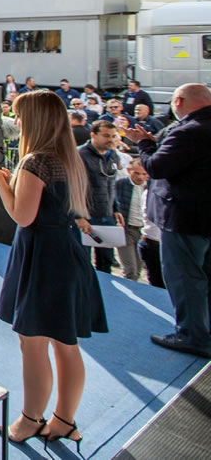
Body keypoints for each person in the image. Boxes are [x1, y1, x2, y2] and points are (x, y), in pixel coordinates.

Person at [0, 90, 106, 450]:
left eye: (18, 116)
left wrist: (1, 183)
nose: (15, 123)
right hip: (69, 255)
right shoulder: (70, 159)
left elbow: (22, 216)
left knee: (33, 343)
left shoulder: (35, 162)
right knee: (67, 342)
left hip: (42, 258)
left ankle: (31, 418)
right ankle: (64, 419)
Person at [125, 83, 211, 359]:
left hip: (184, 219)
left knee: (185, 278)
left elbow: (156, 166)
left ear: (178, 100)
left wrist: (144, 143)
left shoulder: (187, 132)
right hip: (206, 219)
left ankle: (191, 335)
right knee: (205, 277)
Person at [78, 121, 122, 273]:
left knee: (106, 261)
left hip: (107, 215)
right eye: (105, 136)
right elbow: (73, 187)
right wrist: (78, 216)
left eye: (113, 136)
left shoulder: (113, 155)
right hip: (87, 216)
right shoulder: (79, 155)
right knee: (83, 260)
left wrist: (116, 208)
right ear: (93, 135)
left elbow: (112, 183)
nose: (110, 139)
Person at [113, 159, 148, 283]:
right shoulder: (120, 185)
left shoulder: (150, 186)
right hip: (126, 230)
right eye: (137, 173)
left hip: (143, 231)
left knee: (138, 269)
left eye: (144, 174)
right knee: (130, 271)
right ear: (129, 171)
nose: (140, 177)